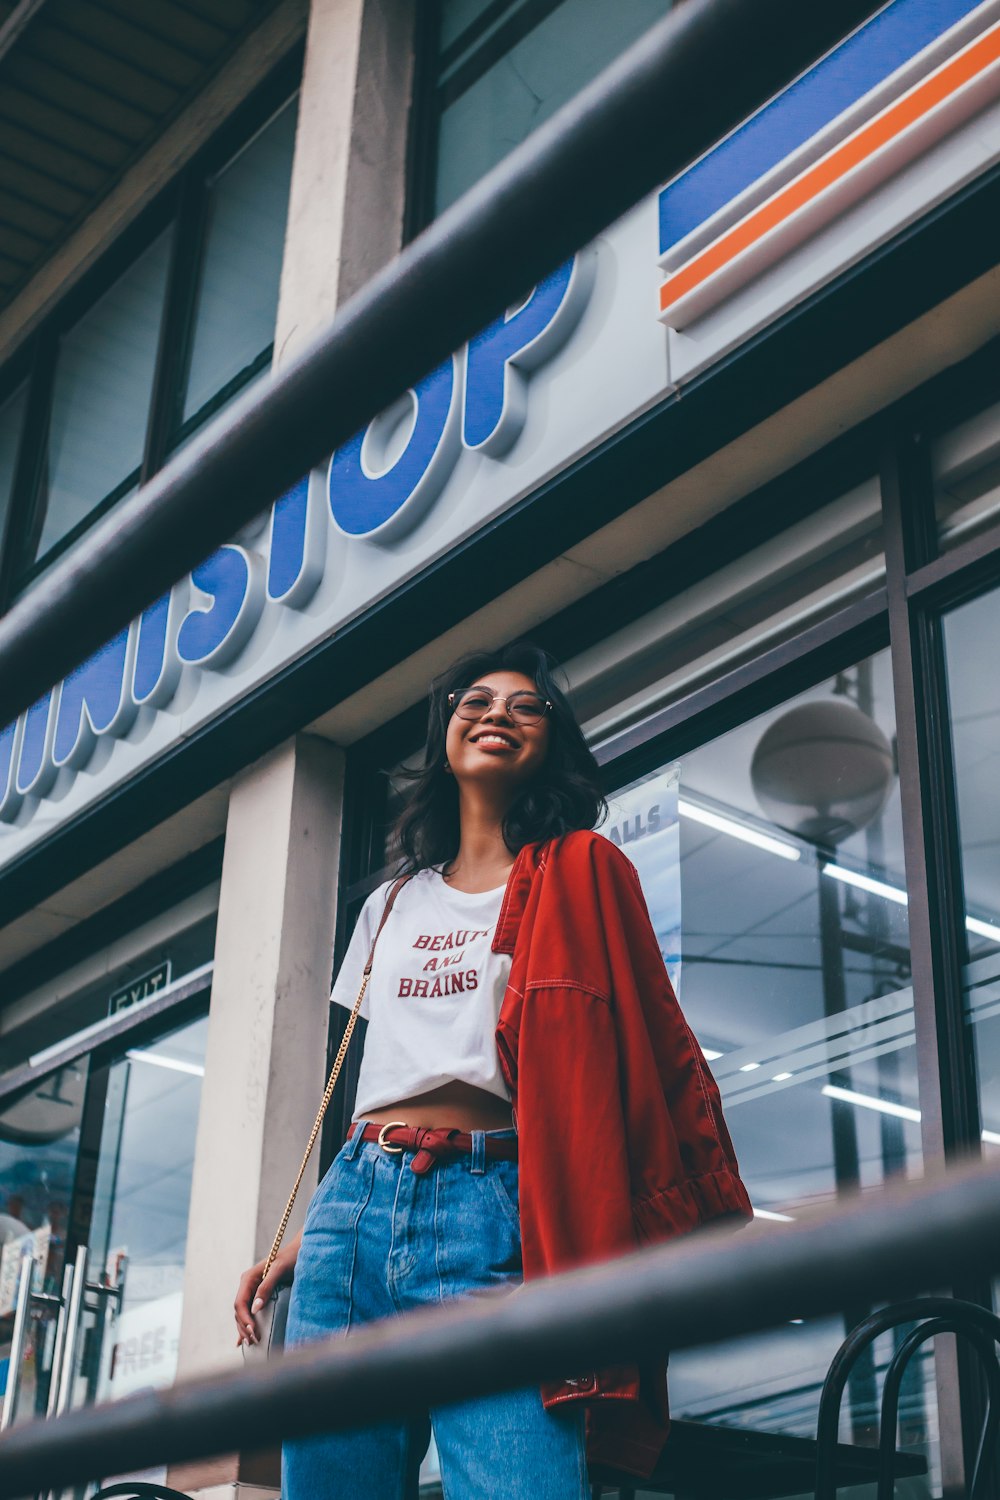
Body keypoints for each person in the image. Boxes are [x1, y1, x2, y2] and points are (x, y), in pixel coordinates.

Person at [234, 641, 751, 1498]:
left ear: (553, 740)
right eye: (475, 702)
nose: (497, 715)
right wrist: (308, 1230)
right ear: (446, 733)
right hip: (354, 1213)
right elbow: (375, 1080)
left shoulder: (582, 871)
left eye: (525, 706)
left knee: (522, 1482)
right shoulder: (390, 903)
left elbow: (643, 1054)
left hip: (498, 1208)